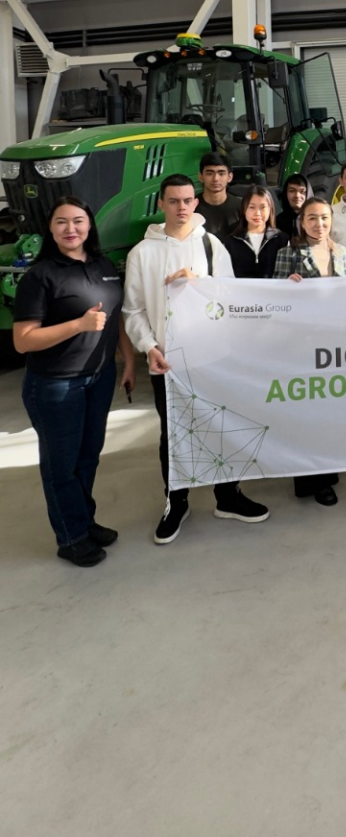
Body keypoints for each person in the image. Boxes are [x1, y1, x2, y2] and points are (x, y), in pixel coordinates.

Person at [123, 173, 270, 544]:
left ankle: (227, 495)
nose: (182, 207)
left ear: (196, 202)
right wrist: (149, 347)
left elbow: (229, 296)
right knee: (173, 434)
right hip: (167, 361)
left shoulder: (210, 245)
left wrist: (198, 285)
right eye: (173, 201)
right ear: (161, 203)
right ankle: (176, 502)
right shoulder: (142, 253)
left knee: (220, 424)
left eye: (187, 200)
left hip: (211, 358)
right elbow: (133, 310)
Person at [13, 198, 136, 567]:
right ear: (50, 229)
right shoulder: (40, 276)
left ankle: (83, 521)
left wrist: (129, 360)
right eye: (62, 222)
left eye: (78, 221)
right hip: (56, 385)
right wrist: (78, 325)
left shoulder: (103, 266)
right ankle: (71, 537)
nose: (71, 229)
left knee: (87, 457)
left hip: (99, 377)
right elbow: (23, 341)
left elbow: (115, 318)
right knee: (61, 465)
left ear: (89, 225)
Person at [275, 197, 346, 506]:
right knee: (308, 412)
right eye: (312, 218)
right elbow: (275, 300)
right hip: (301, 345)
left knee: (331, 410)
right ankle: (314, 479)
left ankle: (326, 469)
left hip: (335, 344)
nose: (319, 224)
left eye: (324, 218)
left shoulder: (343, 254)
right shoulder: (288, 253)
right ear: (301, 222)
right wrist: (287, 288)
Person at [225, 186, 288, 278]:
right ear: (244, 209)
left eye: (263, 207)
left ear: (270, 209)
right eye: (252, 207)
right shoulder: (231, 242)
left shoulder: (282, 240)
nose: (257, 213)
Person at [196, 151, 236, 241]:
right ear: (201, 176)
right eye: (209, 173)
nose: (215, 179)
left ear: (230, 177)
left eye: (221, 173)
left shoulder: (242, 208)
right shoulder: (191, 207)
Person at [275, 173, 311, 238]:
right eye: (292, 191)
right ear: (285, 193)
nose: (297, 195)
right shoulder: (277, 222)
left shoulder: (314, 220)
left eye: (302, 192)